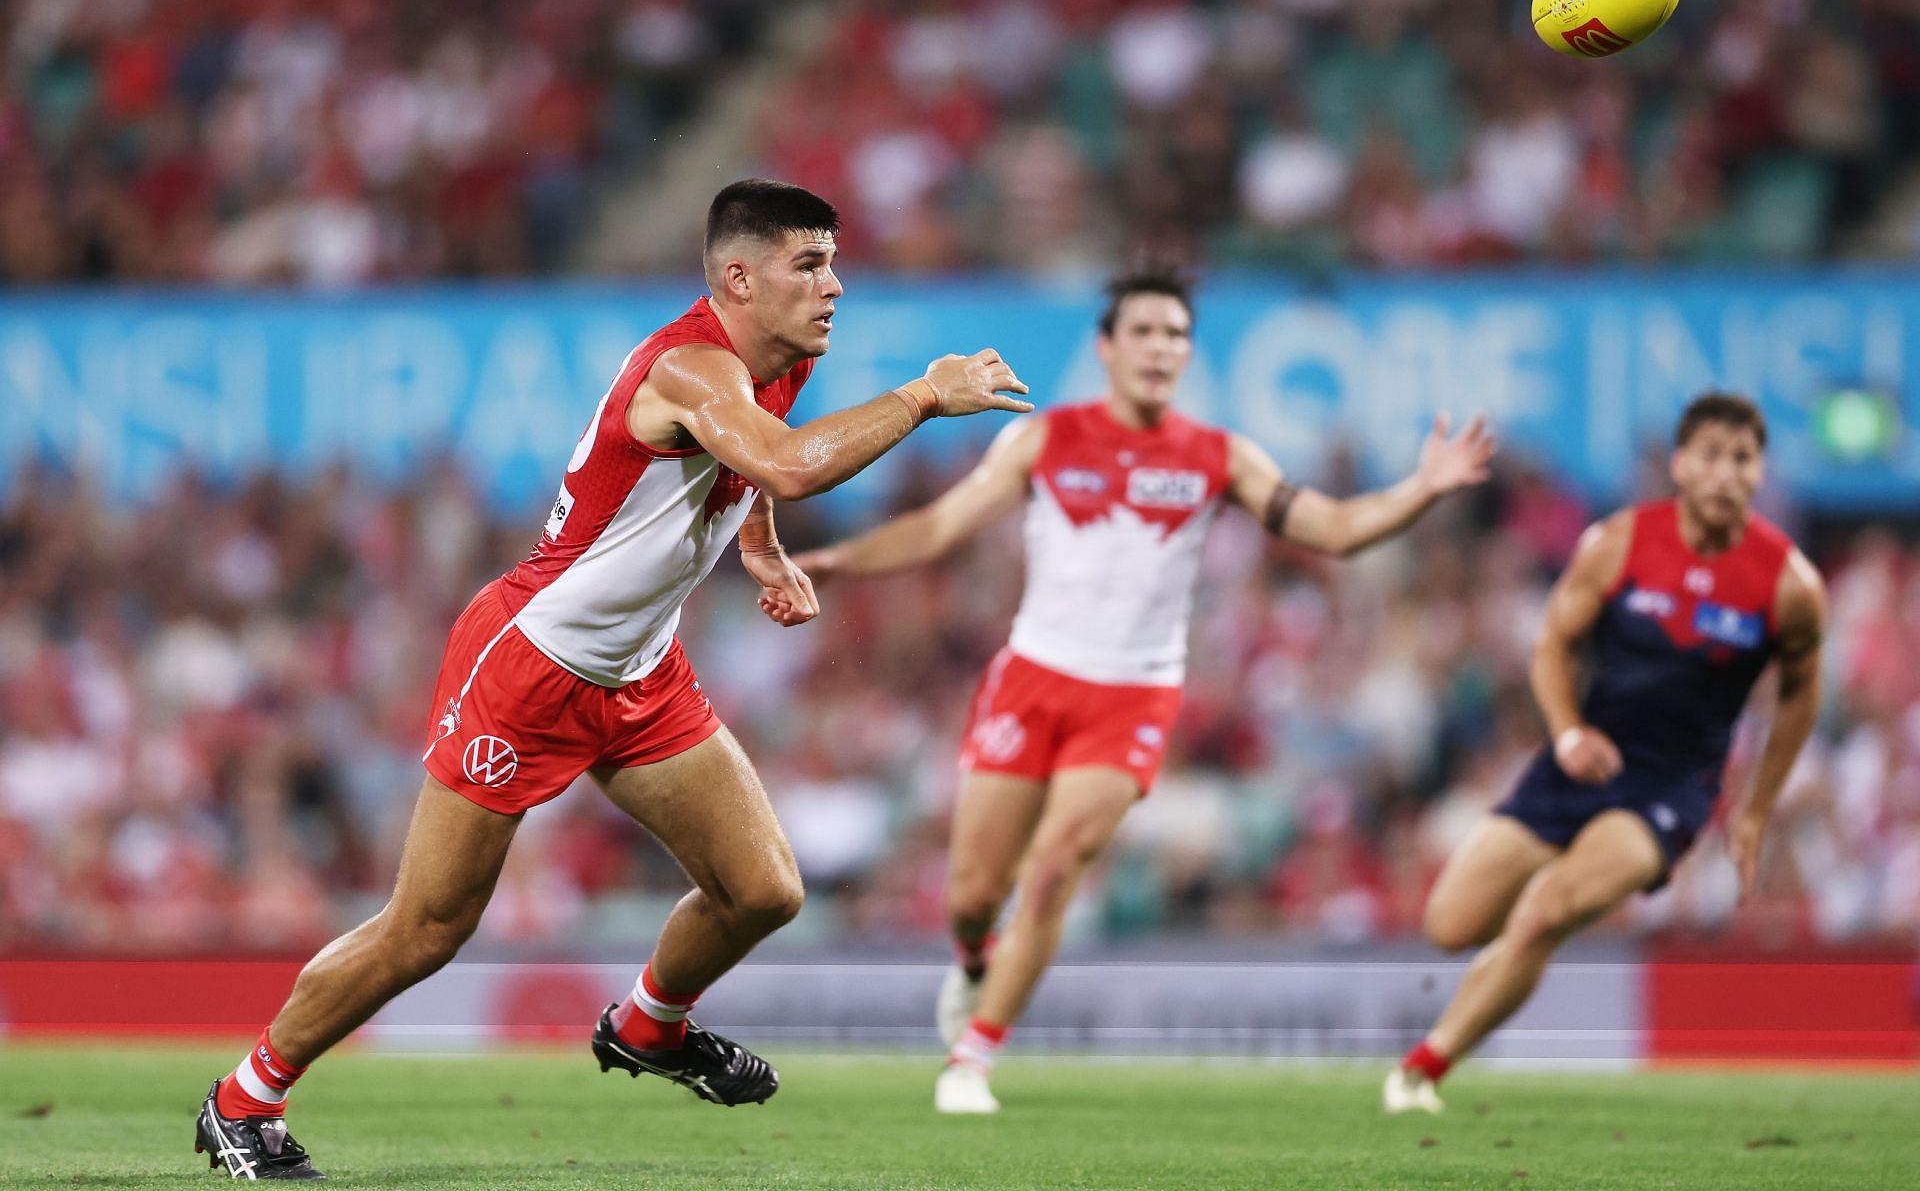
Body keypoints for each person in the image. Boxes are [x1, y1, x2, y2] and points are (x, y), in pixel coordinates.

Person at [192, 179, 1033, 1180]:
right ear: (738, 276)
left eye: (832, 262)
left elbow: (756, 470)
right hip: (533, 664)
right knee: (427, 928)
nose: (834, 286)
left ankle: (648, 1024)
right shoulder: (689, 366)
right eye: (809, 264)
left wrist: (759, 544)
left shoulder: (778, 361)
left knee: (762, 887)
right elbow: (793, 464)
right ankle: (243, 1098)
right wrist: (925, 394)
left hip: (641, 668)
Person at [796, 267, 1495, 1114]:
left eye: (1176, 335)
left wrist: (1421, 487)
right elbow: (942, 526)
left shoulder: (1217, 455)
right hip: (1032, 680)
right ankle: (975, 958)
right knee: (974, 892)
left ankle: (973, 1059)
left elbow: (1335, 530)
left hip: (1133, 695)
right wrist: (837, 562)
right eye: (1145, 332)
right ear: (1108, 348)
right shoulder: (1045, 439)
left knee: (1056, 871)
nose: (1162, 348)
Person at [1385, 392, 1826, 1115]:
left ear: (1759, 473)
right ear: (1680, 465)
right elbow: (1552, 645)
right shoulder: (1619, 543)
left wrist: (1755, 811)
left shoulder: (1789, 585)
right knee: (1450, 926)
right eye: (1711, 456)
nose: (1725, 474)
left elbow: (1801, 695)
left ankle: (1420, 1071)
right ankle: (1498, 974)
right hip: (1577, 759)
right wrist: (1564, 731)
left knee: (1546, 910)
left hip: (1669, 788)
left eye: (1742, 459)